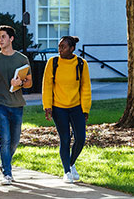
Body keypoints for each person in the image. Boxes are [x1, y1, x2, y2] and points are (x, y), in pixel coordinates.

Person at [42, 36, 92, 183]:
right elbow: (47, 86)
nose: (60, 49)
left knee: (81, 139)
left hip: (76, 107)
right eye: (59, 46)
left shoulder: (81, 64)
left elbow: (86, 88)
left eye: (63, 47)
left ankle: (71, 163)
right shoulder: (53, 62)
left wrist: (85, 109)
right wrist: (47, 106)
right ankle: (67, 172)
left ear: (72, 48)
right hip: (59, 108)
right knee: (65, 139)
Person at [0, 25, 32, 185]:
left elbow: (29, 83)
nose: (0, 40)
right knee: (4, 139)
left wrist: (20, 83)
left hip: (17, 104)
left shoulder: (22, 59)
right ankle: (7, 173)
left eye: (3, 36)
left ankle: (4, 163)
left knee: (15, 140)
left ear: (11, 39)